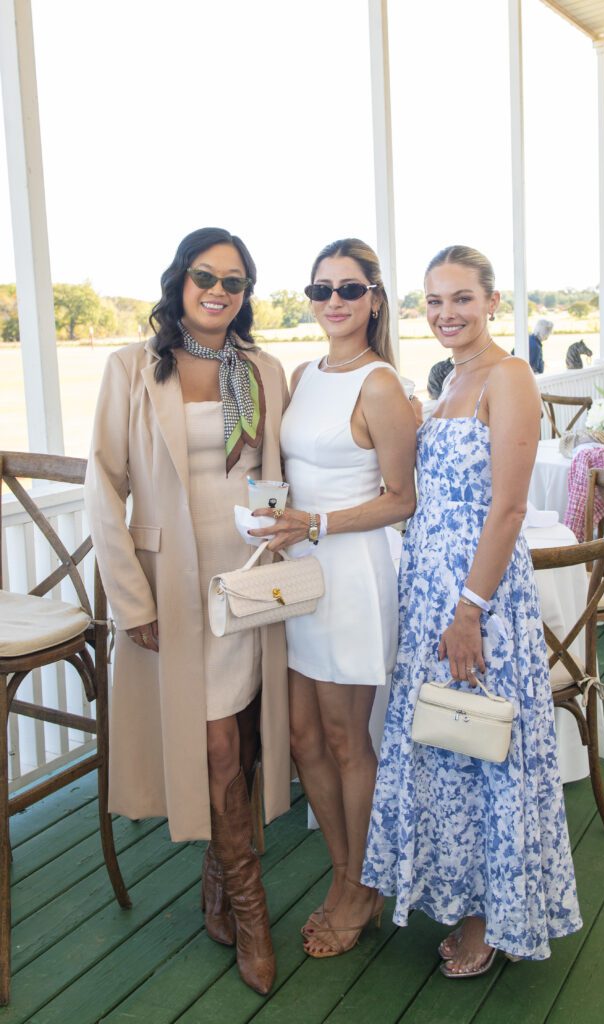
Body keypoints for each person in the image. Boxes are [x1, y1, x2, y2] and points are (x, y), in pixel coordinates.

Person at [362, 244, 582, 975]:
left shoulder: (508, 375)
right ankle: (459, 894)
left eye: (461, 298)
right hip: (429, 590)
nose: (446, 313)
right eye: (433, 300)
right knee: (446, 742)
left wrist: (468, 612)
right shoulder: (450, 378)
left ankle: (492, 916)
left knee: (484, 743)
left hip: (476, 598)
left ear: (492, 302)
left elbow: (509, 508)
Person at [84, 227, 291, 996]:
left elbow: (283, 469)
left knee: (245, 735)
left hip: (253, 579)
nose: (218, 291)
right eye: (205, 276)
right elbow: (102, 485)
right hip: (173, 587)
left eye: (234, 282)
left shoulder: (263, 370)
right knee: (215, 745)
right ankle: (251, 907)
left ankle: (217, 872)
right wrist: (129, 599)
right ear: (179, 282)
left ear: (245, 295)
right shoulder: (131, 369)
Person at [250, 238, 417, 958]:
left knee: (349, 739)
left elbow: (401, 499)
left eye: (350, 289)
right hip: (297, 573)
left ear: (374, 300)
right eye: (321, 290)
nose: (334, 302)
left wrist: (315, 523)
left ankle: (363, 886)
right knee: (302, 737)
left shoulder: (379, 385)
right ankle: (345, 871)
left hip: (350, 573)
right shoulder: (303, 373)